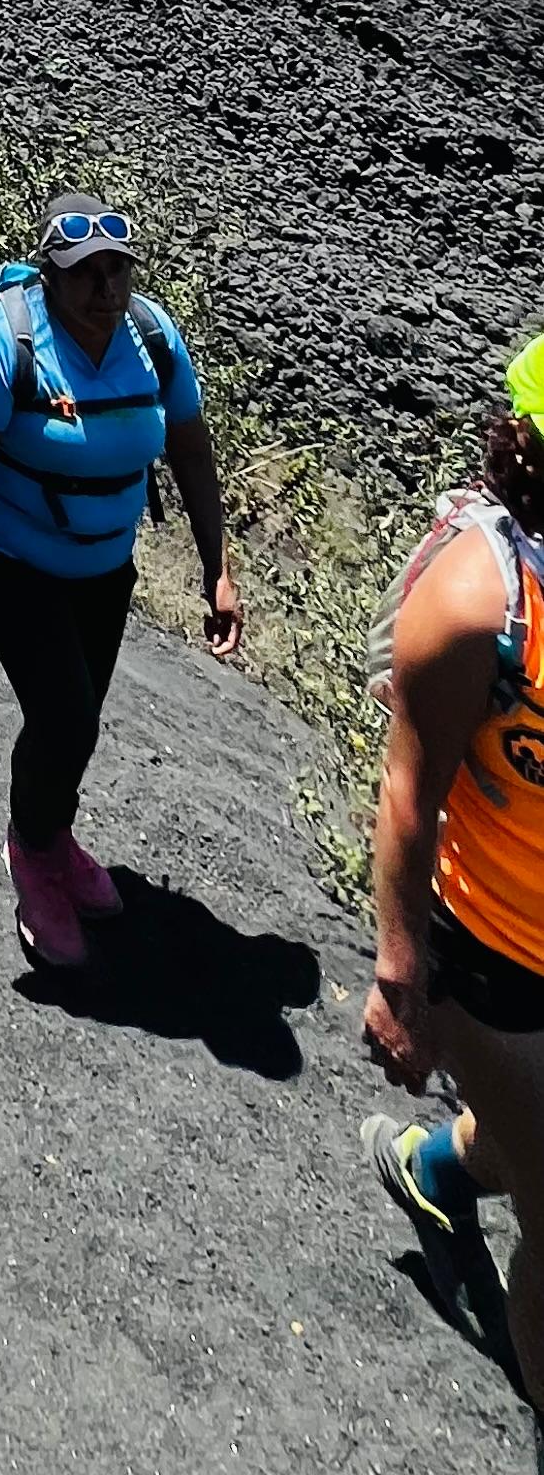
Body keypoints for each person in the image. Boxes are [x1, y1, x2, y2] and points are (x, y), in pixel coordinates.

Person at [0, 192, 242, 968]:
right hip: (16, 563)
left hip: (106, 574)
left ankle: (54, 831)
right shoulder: (1, 345)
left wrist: (217, 571)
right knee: (67, 719)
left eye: (118, 272)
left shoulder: (153, 339)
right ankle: (33, 851)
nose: (106, 290)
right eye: (86, 275)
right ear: (51, 275)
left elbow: (193, 454)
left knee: (77, 721)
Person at [364, 334, 544, 1434]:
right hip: (495, 957)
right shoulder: (486, 597)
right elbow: (409, 791)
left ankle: (432, 1165)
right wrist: (399, 978)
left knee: (528, 1140)